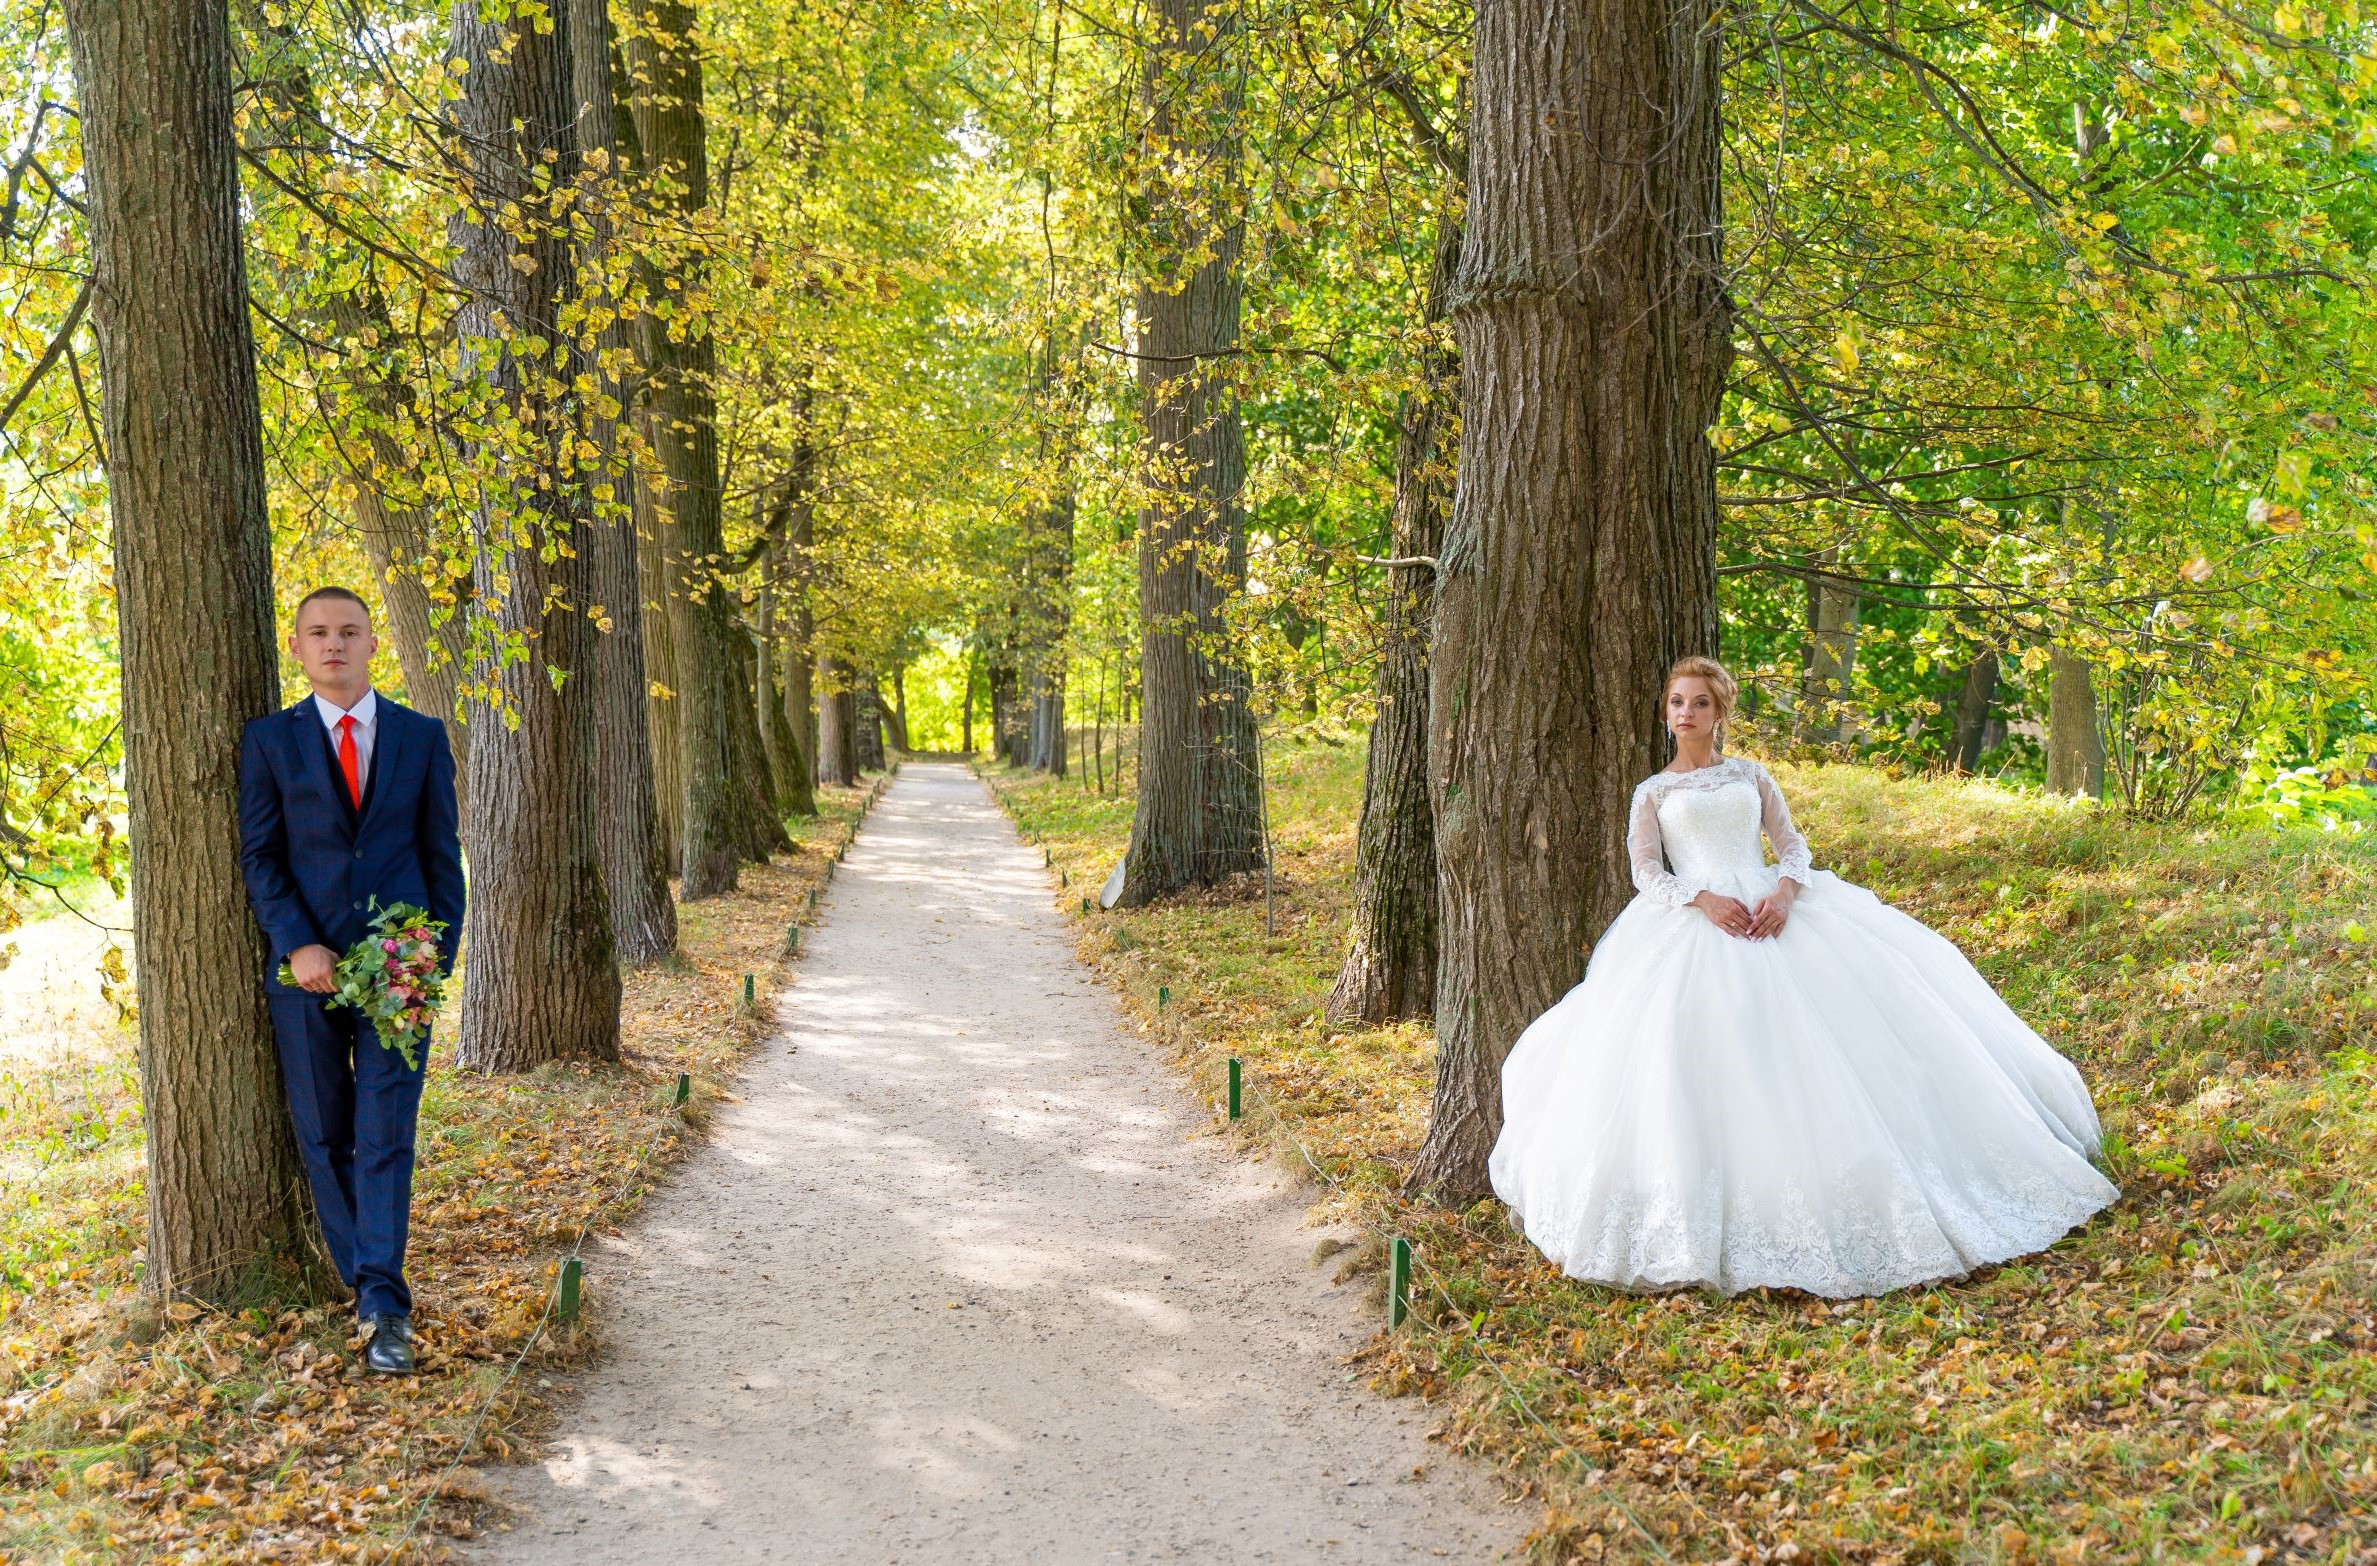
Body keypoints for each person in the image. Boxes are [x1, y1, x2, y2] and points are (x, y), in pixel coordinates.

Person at [1488, 656, 2116, 1298]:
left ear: (1719, 711)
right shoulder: (1652, 792)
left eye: (1700, 702)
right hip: (1696, 921)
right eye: (1677, 702)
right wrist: (1702, 899)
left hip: (1771, 911)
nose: (1686, 713)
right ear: (1666, 712)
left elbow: (1791, 846)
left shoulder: (1751, 775)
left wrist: (1784, 894)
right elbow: (1646, 871)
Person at [238, 587, 465, 1373]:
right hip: (304, 977)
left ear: (373, 643)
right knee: (326, 1135)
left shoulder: (420, 736)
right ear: (297, 647)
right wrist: (298, 943)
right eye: (317, 633)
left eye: (348, 631)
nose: (333, 643)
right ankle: (362, 1278)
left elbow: (441, 856)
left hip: (399, 975)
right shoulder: (269, 741)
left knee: (385, 1134)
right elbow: (261, 855)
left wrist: (432, 958)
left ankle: (382, 1305)